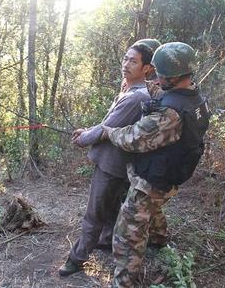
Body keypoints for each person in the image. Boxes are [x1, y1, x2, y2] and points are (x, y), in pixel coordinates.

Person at [102, 42, 211, 287]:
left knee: (127, 236)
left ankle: (125, 282)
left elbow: (134, 138)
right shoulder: (194, 98)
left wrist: (108, 132)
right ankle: (160, 241)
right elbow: (166, 97)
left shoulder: (170, 114)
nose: (157, 77)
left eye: (161, 74)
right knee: (155, 210)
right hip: (170, 175)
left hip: (151, 181)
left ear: (174, 76)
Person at [58, 42, 159, 277]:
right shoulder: (132, 90)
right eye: (125, 59)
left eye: (133, 61)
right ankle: (104, 241)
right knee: (110, 207)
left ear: (147, 68)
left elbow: (108, 127)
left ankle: (77, 258)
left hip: (113, 165)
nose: (126, 64)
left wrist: (84, 138)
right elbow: (109, 122)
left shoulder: (136, 97)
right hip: (117, 164)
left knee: (94, 213)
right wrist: (87, 130)